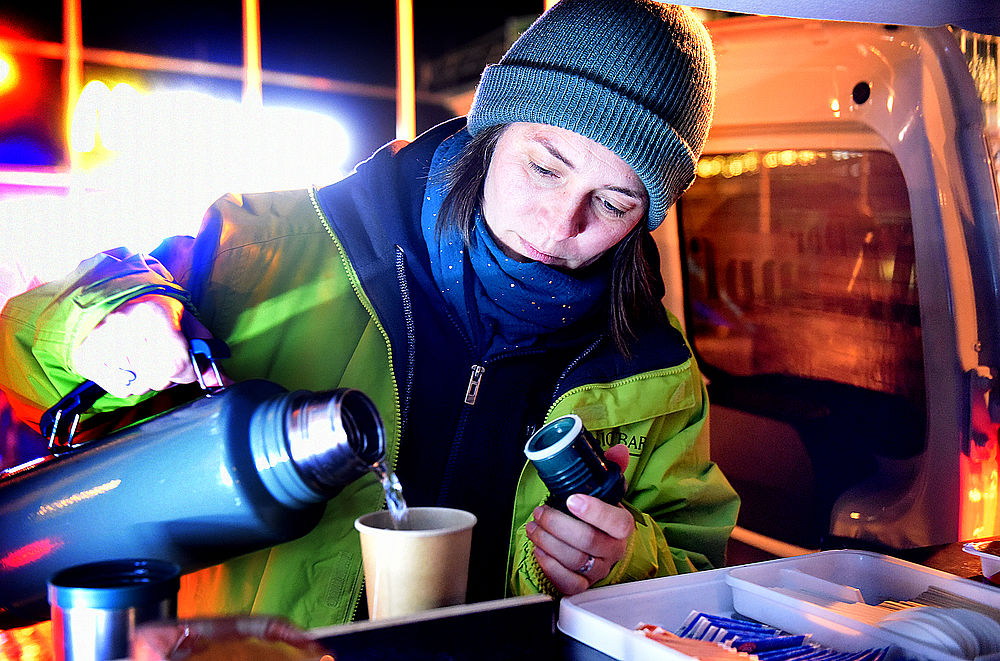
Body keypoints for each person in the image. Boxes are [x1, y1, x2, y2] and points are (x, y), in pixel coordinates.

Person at [0, 0, 739, 629]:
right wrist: (103, 323)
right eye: (544, 167)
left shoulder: (655, 369)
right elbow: (26, 342)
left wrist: (624, 562)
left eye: (613, 203)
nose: (558, 225)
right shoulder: (267, 251)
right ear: (491, 129)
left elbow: (703, 572)